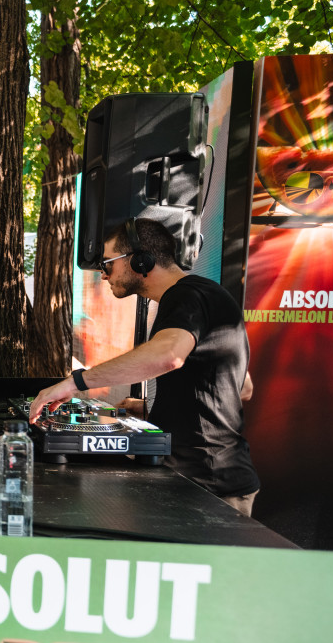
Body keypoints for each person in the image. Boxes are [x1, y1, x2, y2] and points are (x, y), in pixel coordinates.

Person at [29, 218, 261, 516]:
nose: (103, 275)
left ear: (141, 260)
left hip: (207, 485)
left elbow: (169, 356)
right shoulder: (204, 295)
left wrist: (75, 382)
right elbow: (242, 388)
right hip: (212, 477)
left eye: (108, 264)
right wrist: (156, 407)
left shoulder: (186, 296)